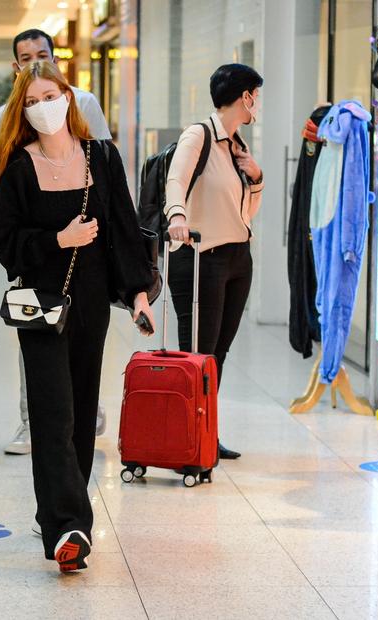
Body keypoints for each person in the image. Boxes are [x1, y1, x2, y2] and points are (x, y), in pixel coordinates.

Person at [0, 61, 155, 573]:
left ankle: (65, 511)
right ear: (23, 110)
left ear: (69, 97)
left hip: (90, 302)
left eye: (49, 96)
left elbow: (125, 230)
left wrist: (140, 293)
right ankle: (69, 527)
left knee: (82, 412)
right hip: (40, 302)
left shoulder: (101, 158)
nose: (42, 107)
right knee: (52, 412)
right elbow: (4, 240)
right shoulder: (18, 167)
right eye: (31, 101)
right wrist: (58, 240)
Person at [0, 28, 112, 456]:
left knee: (81, 365)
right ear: (15, 66)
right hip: (39, 268)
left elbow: (106, 186)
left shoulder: (85, 106)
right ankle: (33, 421)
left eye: (41, 54)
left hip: (89, 273)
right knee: (42, 358)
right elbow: (0, 189)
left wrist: (133, 286)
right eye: (25, 57)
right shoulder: (9, 126)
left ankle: (84, 415)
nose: (33, 62)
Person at [164, 63, 264, 460]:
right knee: (198, 354)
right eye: (256, 95)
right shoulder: (199, 135)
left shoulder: (238, 146)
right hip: (201, 257)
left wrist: (256, 178)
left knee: (217, 355)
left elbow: (246, 211)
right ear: (245, 97)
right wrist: (177, 215)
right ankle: (186, 435)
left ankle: (204, 430)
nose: (258, 103)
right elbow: (176, 178)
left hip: (238, 257)